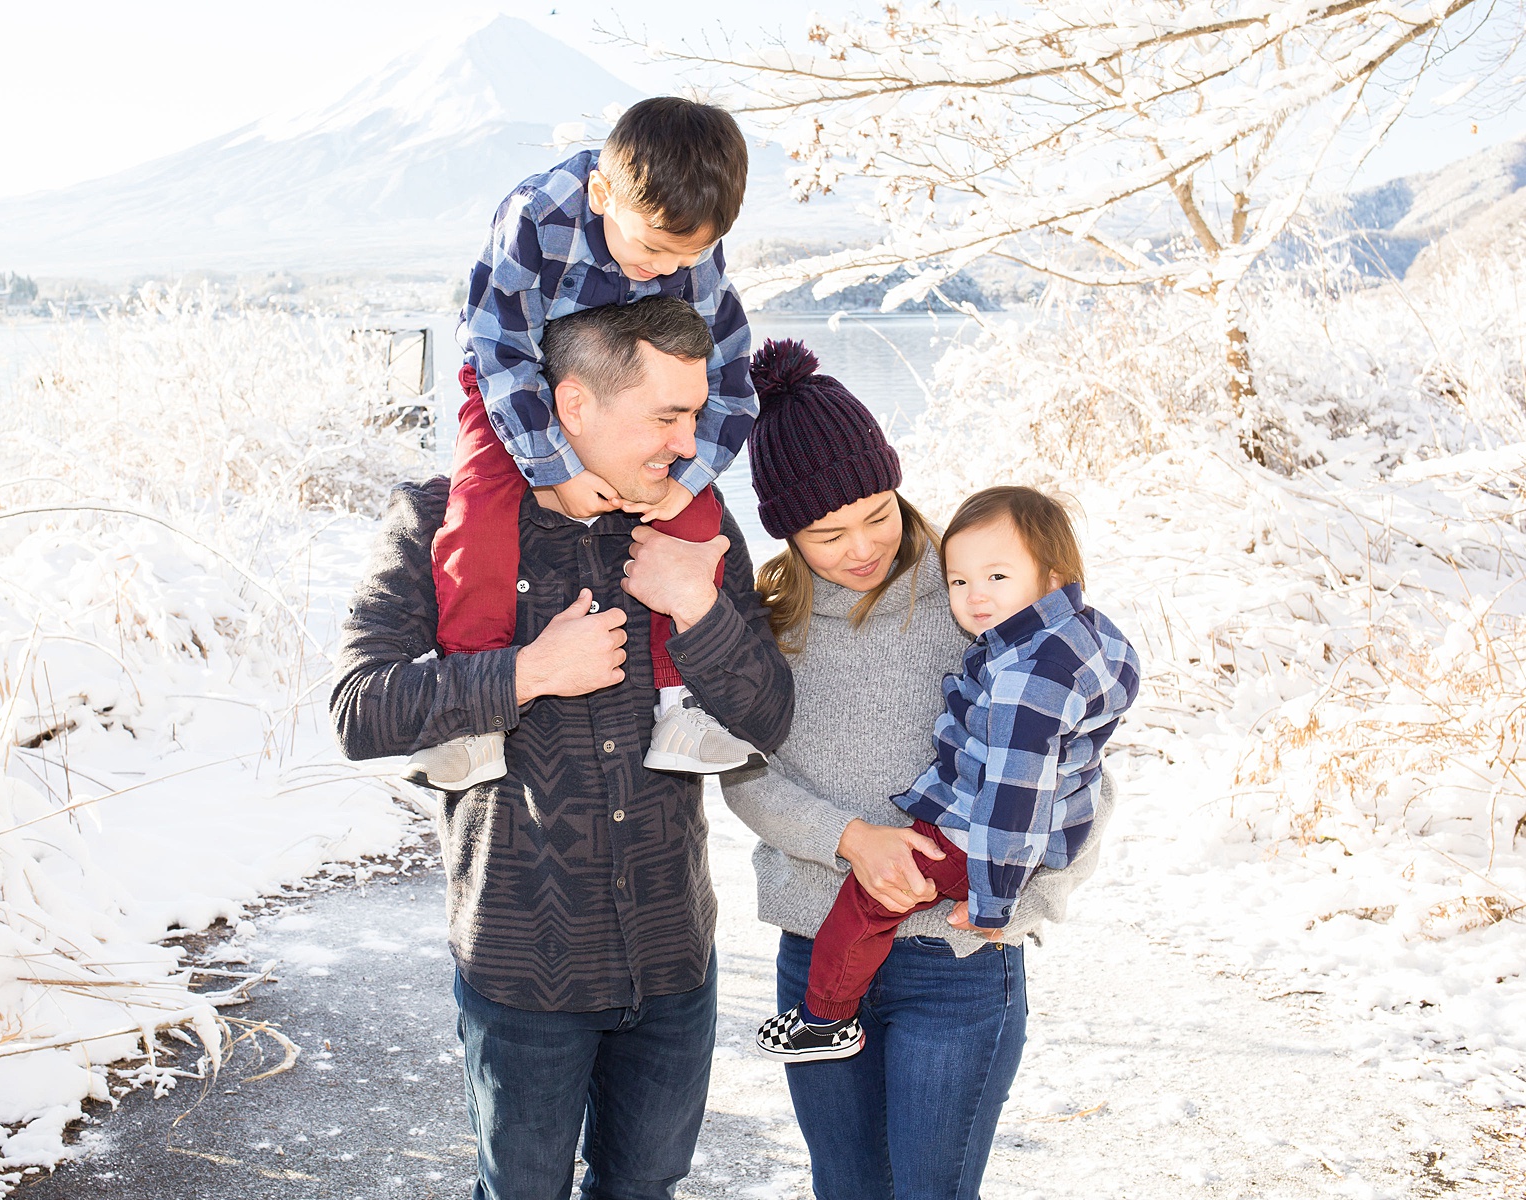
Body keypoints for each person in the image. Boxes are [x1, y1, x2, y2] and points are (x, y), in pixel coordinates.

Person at [331, 299, 794, 1200]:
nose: (689, 439)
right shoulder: (439, 521)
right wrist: (527, 673)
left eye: (696, 413)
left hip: (671, 956)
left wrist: (695, 610)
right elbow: (359, 710)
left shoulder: (692, 525)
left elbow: (770, 717)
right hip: (519, 964)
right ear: (574, 405)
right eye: (667, 416)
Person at [721, 339, 1120, 1200]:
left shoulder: (973, 595)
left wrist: (1027, 899)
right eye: (827, 533)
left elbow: (1076, 764)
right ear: (787, 529)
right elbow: (742, 774)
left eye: (877, 513)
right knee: (847, 1186)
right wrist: (850, 840)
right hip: (818, 945)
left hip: (957, 960)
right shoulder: (770, 619)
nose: (862, 547)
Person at [409, 95, 762, 791]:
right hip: (519, 384)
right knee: (479, 510)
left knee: (693, 523)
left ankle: (679, 702)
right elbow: (497, 346)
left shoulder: (696, 248)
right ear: (603, 193)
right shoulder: (539, 215)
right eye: (653, 248)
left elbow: (729, 380)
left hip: (636, 400)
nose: (664, 271)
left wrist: (683, 484)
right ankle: (473, 710)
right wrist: (552, 467)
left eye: (686, 256)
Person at [757, 484, 1140, 1062]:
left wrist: (996, 901)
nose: (974, 597)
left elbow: (1017, 795)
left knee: (867, 906)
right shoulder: (1078, 635)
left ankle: (826, 1017)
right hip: (988, 836)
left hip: (974, 844)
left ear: (1053, 575)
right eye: (959, 582)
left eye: (996, 578)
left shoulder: (1025, 678)